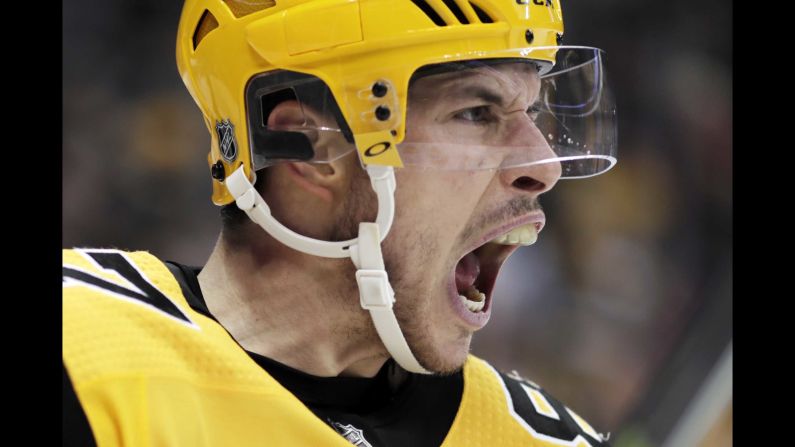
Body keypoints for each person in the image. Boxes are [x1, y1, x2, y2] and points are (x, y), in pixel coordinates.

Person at [63, 0, 618, 445]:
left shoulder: (541, 438)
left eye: (533, 111)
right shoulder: (86, 357)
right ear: (311, 148)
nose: (543, 164)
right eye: (476, 112)